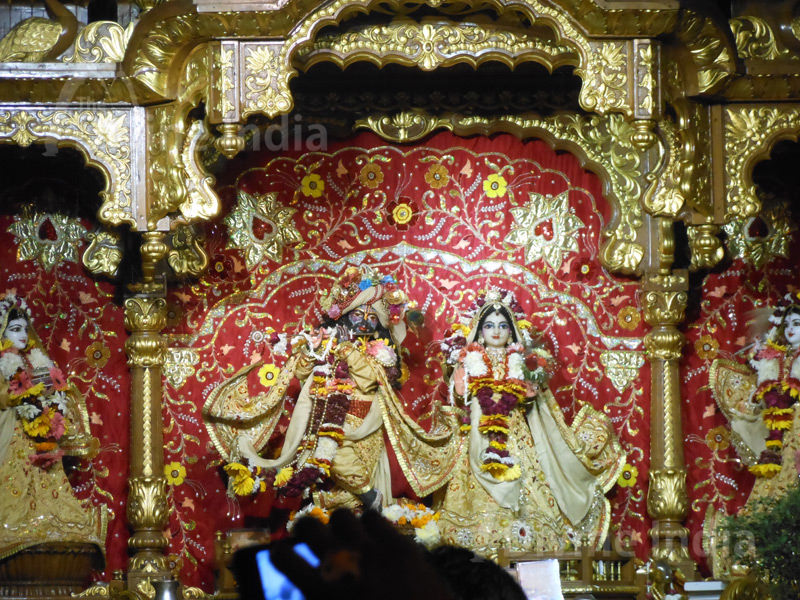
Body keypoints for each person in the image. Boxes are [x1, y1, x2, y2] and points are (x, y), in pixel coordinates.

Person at [204, 267, 461, 510]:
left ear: (379, 324)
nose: (364, 323)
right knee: (326, 464)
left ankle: (367, 502)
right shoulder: (331, 341)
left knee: (345, 465)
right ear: (348, 316)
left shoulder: (381, 350)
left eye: (372, 318)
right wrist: (310, 352)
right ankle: (351, 506)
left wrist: (345, 350)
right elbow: (303, 374)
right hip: (326, 413)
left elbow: (369, 379)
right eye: (358, 315)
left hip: (364, 420)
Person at [434, 288, 624, 556]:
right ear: (480, 329)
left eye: (502, 325)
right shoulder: (468, 360)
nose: (496, 331)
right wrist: (463, 371)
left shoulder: (521, 362)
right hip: (479, 433)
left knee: (529, 487)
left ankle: (527, 542)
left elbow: (536, 400)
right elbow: (460, 394)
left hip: (517, 434)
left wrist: (528, 382)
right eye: (489, 325)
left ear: (511, 331)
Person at [0, 293, 105, 558]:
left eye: (24, 328)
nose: (22, 334)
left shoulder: (37, 362)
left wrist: (48, 403)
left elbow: (57, 393)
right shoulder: (4, 363)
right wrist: (18, 396)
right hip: (12, 433)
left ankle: (49, 527)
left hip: (40, 435)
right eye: (14, 329)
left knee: (48, 487)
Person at [747, 292, 800, 478]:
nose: (790, 330)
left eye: (796, 324)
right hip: (773, 411)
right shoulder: (776, 354)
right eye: (786, 325)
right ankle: (773, 449)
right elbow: (762, 374)